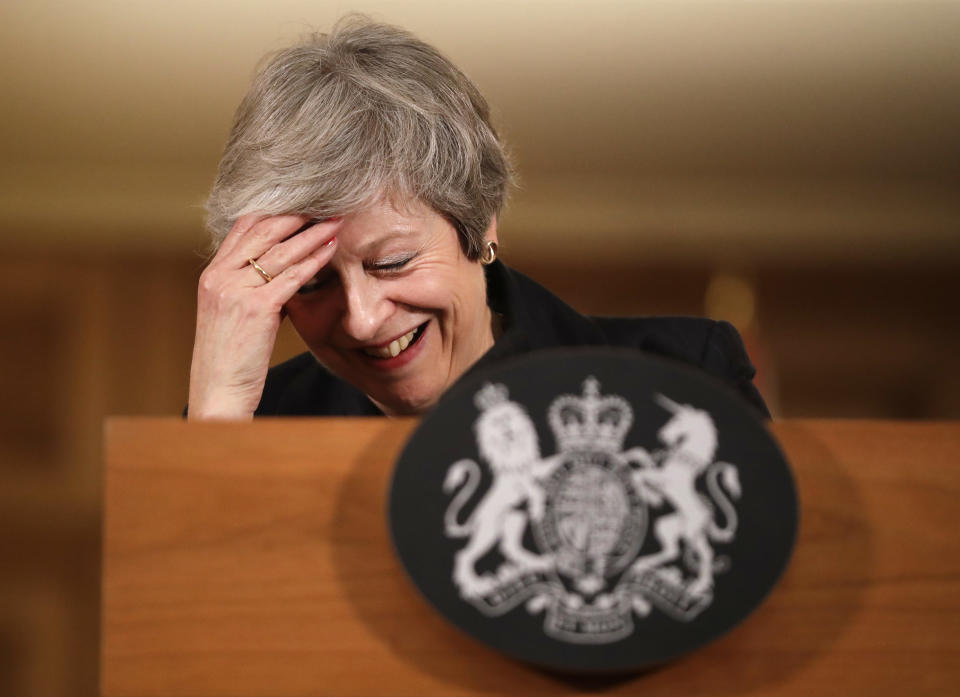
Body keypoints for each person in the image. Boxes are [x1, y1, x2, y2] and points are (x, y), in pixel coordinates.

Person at [188, 15, 768, 421]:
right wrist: (217, 406)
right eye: (312, 282)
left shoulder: (687, 377)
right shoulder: (252, 422)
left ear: (481, 222)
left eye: (392, 262)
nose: (362, 322)